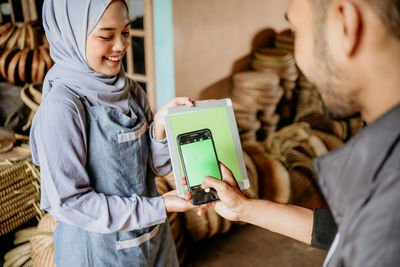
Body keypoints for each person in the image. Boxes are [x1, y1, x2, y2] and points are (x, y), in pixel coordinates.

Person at [184, 0, 400, 266]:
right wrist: (244, 208)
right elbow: (344, 233)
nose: (297, 57)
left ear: (345, 24)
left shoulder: (390, 211)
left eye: (297, 32)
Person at [30, 0, 195, 266]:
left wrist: (161, 128)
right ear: (70, 34)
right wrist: (159, 206)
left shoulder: (128, 89)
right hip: (96, 252)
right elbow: (73, 202)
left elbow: (155, 168)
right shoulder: (63, 107)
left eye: (126, 32)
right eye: (106, 35)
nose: (120, 46)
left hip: (152, 238)